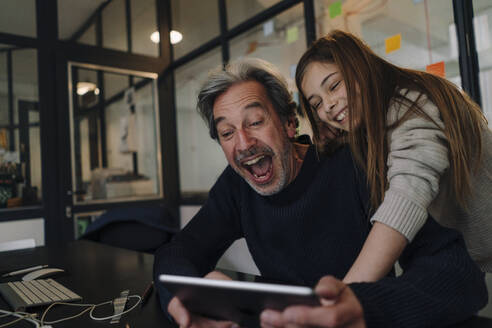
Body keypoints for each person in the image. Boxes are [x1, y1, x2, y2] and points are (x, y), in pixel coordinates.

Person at [153, 58, 487, 328]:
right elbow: (177, 253)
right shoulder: (235, 186)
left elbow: (458, 275)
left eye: (255, 122)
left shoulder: (353, 166)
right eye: (227, 132)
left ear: (288, 124)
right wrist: (180, 303)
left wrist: (362, 307)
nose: (242, 144)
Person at [295, 30, 492, 284]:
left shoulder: (412, 104)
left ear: (359, 67)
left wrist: (347, 293)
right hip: (471, 269)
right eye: (317, 103)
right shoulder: (370, 128)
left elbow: (407, 193)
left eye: (333, 85)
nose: (328, 106)